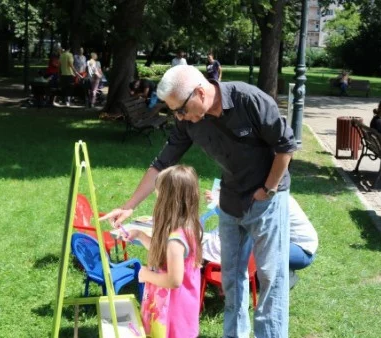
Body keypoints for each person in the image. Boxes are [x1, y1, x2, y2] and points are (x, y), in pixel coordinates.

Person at [101, 65, 296, 338]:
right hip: (230, 199)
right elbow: (161, 163)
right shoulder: (188, 120)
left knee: (269, 278)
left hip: (266, 199)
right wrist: (129, 205)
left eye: (180, 109)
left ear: (200, 92)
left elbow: (285, 147)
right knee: (232, 279)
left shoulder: (249, 99)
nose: (178, 117)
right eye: (174, 112)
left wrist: (268, 189)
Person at [120, 165, 203, 338]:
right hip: (182, 307)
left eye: (158, 194)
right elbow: (168, 257)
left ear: (168, 200)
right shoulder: (188, 227)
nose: (156, 199)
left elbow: (174, 280)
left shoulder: (175, 241)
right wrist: (141, 236)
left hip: (172, 313)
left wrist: (145, 275)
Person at [202, 193, 318, 289]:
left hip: (301, 251)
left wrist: (222, 205)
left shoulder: (271, 200)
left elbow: (246, 220)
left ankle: (285, 276)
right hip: (289, 244)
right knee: (252, 241)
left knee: (254, 242)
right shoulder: (263, 195)